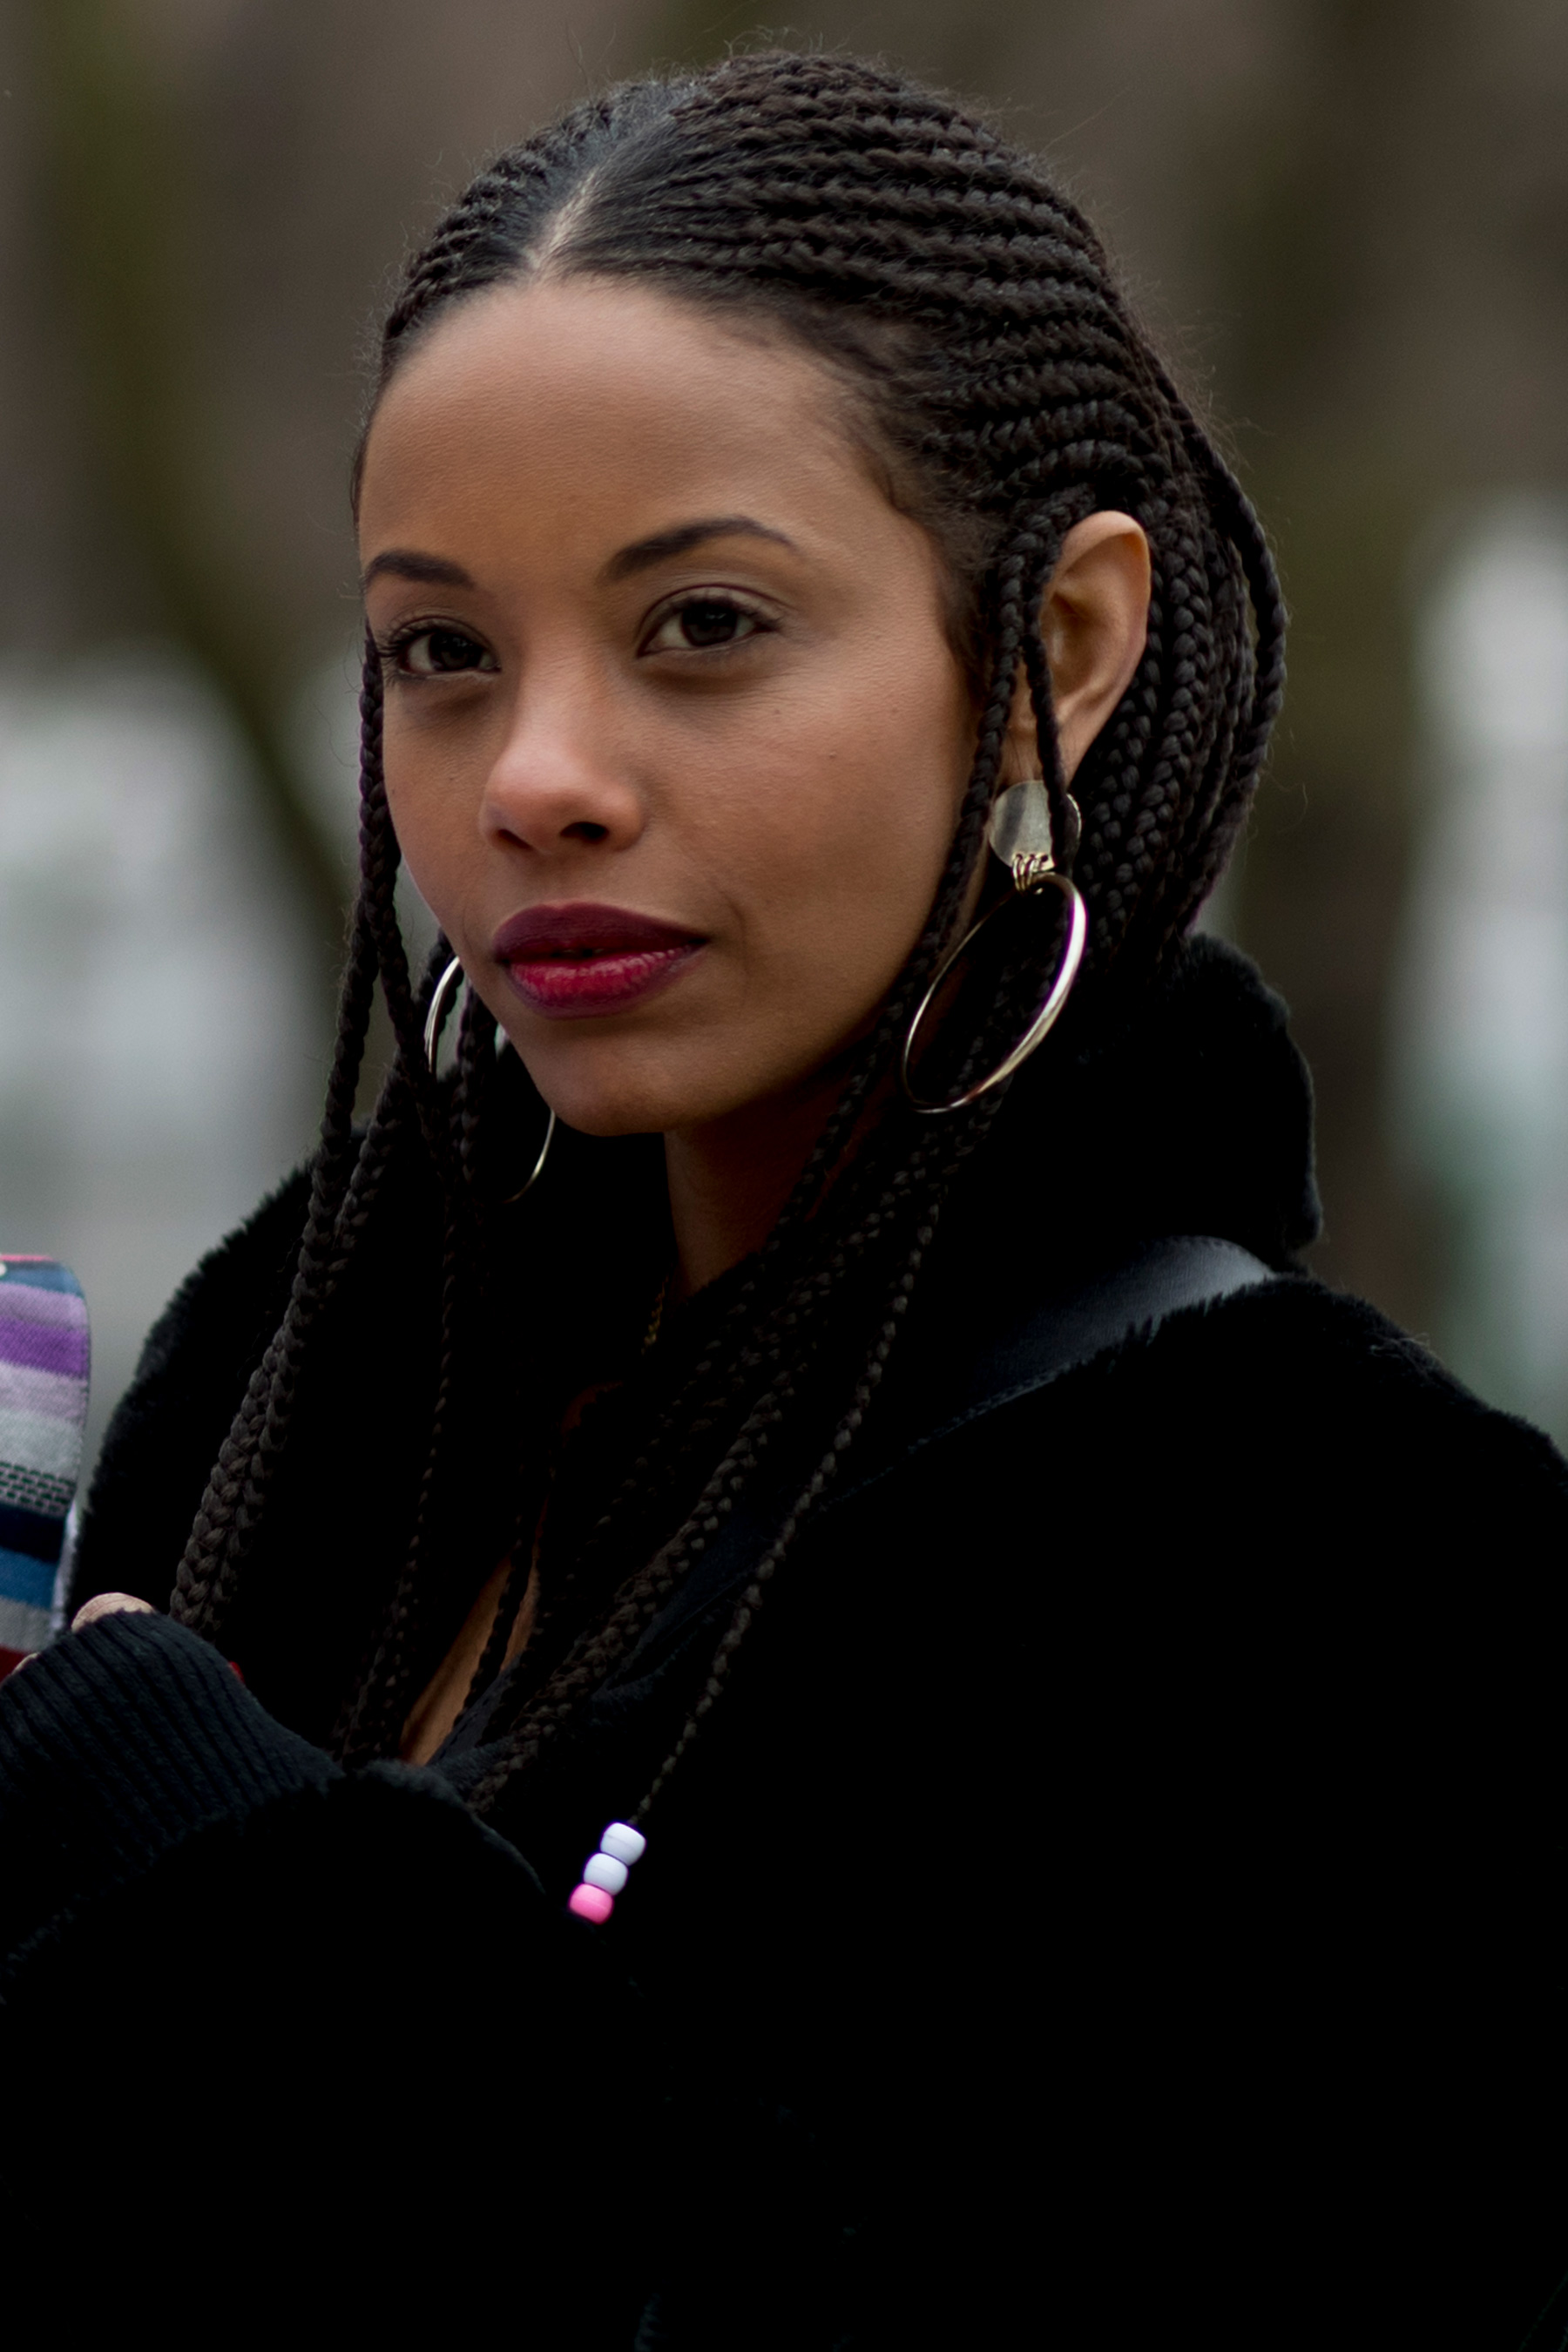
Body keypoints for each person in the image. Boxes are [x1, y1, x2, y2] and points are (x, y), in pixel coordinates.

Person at [3, 50, 1565, 2349]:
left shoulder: (1354, 1568)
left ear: (1055, 651)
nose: (537, 777)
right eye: (444, 651)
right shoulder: (291, 1392)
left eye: (704, 625)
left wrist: (230, 1873)